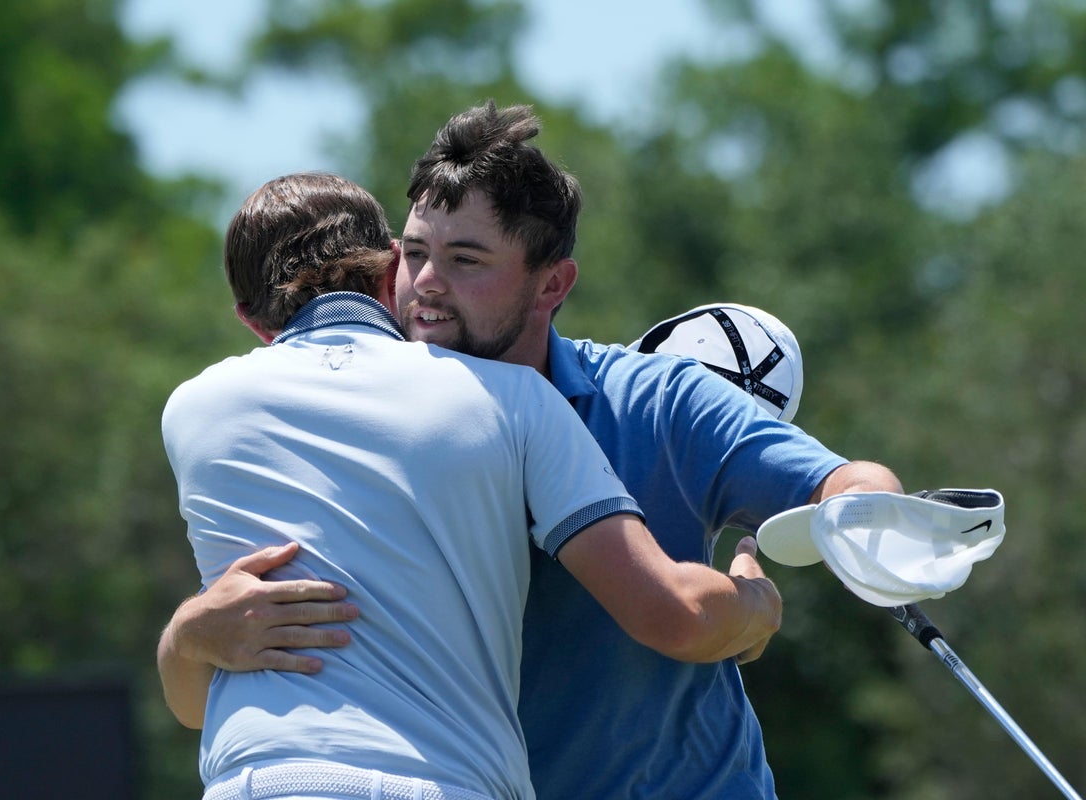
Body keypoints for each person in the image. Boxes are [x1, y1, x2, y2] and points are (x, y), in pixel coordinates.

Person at [160, 103, 903, 799]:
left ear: (552, 284)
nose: (426, 286)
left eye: (468, 261)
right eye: (413, 254)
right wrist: (190, 636)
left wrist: (881, 520)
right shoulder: (360, 419)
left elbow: (844, 483)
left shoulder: (656, 398)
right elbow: (233, 675)